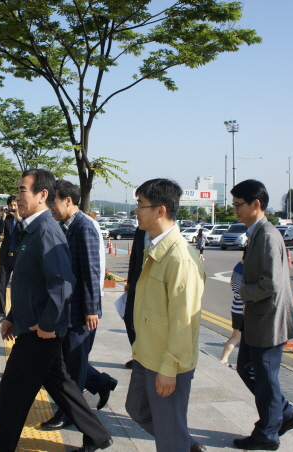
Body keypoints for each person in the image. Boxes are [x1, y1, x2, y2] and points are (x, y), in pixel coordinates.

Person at [0, 169, 112, 452]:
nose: (17, 198)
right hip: (31, 323)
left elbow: (62, 283)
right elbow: (31, 283)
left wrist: (47, 325)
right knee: (61, 385)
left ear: (42, 195)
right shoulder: (32, 228)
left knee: (13, 392)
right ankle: (98, 435)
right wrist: (12, 317)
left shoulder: (46, 230)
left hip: (39, 330)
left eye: (22, 191)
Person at [125, 178, 207, 452]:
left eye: (140, 205)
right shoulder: (154, 245)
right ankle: (184, 443)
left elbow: (185, 320)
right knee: (136, 409)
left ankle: (178, 443)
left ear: (160, 210)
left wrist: (170, 368)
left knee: (168, 436)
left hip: (166, 361)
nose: (136, 211)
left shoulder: (179, 257)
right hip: (146, 353)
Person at [230, 179, 293, 451]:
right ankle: (284, 413)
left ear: (256, 204)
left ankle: (268, 434)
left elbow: (271, 283)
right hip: (257, 318)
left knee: (265, 377)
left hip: (269, 319)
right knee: (247, 368)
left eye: (239, 205)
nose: (235, 210)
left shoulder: (268, 235)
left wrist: (243, 290)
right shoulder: (256, 232)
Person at [42, 180, 117, 431]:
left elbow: (92, 270)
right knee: (67, 360)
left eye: (53, 201)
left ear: (68, 200)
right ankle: (101, 383)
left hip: (81, 311)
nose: (50, 206)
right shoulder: (66, 225)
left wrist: (92, 309)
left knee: (71, 364)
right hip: (69, 308)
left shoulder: (84, 227)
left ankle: (68, 413)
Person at [0, 195, 22, 325]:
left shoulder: (23, 218)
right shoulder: (7, 218)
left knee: (17, 287)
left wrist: (19, 219)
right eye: (11, 206)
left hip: (18, 258)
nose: (13, 208)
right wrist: (3, 217)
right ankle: (1, 314)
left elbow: (27, 232)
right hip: (4, 257)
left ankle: (15, 315)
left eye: (15, 205)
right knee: (1, 286)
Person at [123, 227, 147, 369]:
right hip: (136, 282)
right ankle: (138, 355)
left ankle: (145, 358)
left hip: (152, 285)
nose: (137, 212)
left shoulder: (164, 231)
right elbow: (135, 256)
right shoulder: (140, 230)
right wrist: (129, 281)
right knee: (129, 318)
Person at [220, 251, 245, 366]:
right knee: (242, 339)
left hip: (235, 305)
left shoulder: (238, 265)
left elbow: (231, 283)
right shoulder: (248, 268)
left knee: (235, 336)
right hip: (243, 308)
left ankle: (224, 359)